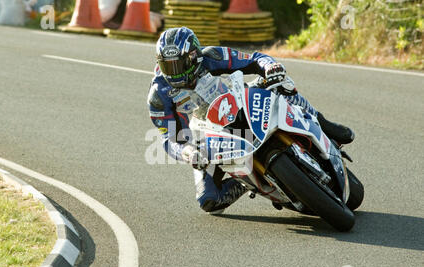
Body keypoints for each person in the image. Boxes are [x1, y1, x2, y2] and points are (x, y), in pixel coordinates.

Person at [147, 27, 354, 214]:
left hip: (241, 103)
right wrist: (187, 152)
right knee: (208, 200)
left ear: (193, 56)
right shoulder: (159, 96)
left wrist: (270, 67)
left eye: (178, 65)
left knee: (282, 84)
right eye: (167, 66)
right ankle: (248, 183)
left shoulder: (211, 56)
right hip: (208, 135)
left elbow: (254, 59)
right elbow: (169, 139)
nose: (174, 73)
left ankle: (324, 124)